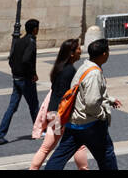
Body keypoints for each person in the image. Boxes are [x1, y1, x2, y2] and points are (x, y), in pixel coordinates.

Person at [43, 38, 122, 170]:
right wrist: (102, 115)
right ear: (104, 54)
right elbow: (91, 103)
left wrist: (110, 99)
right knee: (106, 155)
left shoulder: (84, 67)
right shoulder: (94, 73)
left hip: (74, 122)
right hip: (91, 125)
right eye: (108, 51)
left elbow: (84, 92)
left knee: (59, 155)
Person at [29, 39, 89, 171]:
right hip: (62, 115)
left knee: (46, 147)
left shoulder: (59, 68)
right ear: (72, 53)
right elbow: (69, 96)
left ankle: (33, 168)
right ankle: (83, 168)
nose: (81, 50)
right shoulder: (70, 71)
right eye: (78, 48)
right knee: (79, 144)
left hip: (53, 113)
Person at [0, 18, 41, 145]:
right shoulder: (31, 42)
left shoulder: (19, 41)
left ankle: (0, 135)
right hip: (25, 79)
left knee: (12, 107)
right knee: (34, 106)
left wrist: (16, 72)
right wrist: (32, 74)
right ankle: (38, 131)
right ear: (35, 29)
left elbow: (11, 60)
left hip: (16, 78)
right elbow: (26, 60)